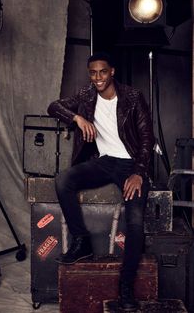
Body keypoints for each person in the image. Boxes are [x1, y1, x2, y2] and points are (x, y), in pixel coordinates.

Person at [47, 52, 154, 310]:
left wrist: (139, 172)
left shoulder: (132, 97)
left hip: (131, 165)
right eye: (93, 73)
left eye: (102, 72)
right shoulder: (86, 95)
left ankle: (126, 288)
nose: (97, 78)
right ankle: (81, 241)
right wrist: (77, 118)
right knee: (63, 181)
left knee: (135, 221)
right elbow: (53, 107)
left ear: (112, 71)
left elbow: (147, 139)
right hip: (104, 161)